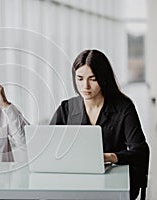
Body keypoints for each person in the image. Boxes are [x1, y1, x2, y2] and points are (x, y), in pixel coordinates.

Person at [50, 49, 150, 200]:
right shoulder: (67, 108)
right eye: (80, 79)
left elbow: (140, 151)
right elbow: (48, 145)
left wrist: (110, 157)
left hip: (113, 182)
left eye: (93, 79)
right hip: (76, 180)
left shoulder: (124, 107)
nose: (85, 86)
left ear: (103, 79)